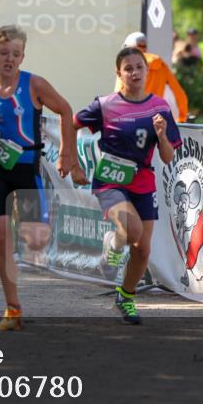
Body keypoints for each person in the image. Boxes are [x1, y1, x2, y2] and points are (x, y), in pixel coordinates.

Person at [0, 25, 78, 331]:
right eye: (3, 53)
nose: (9, 59)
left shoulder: (34, 85)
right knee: (1, 239)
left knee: (35, 241)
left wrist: (67, 153)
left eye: (15, 54)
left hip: (27, 167)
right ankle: (12, 308)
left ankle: (38, 220)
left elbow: (66, 110)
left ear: (23, 56)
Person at [75, 46, 182, 324]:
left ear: (147, 70)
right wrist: (69, 158)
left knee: (143, 249)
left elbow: (168, 157)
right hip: (110, 181)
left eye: (139, 67)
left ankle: (126, 295)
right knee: (132, 230)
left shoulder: (159, 107)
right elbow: (71, 122)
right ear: (119, 73)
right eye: (128, 68)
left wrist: (161, 135)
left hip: (143, 181)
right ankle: (113, 241)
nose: (134, 72)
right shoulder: (105, 105)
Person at [116, 32, 189, 122]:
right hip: (155, 119)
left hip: (132, 118)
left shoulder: (127, 65)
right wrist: (182, 118)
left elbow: (119, 93)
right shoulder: (161, 65)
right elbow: (179, 94)